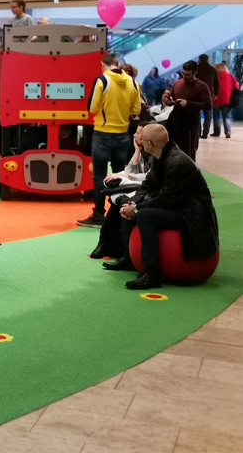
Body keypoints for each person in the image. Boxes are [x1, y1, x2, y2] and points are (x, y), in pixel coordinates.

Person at [103, 124, 219, 289]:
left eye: (141, 139)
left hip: (192, 216)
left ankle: (152, 273)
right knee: (130, 206)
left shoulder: (177, 162)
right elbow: (147, 185)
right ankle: (128, 256)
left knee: (144, 215)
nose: (138, 141)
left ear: (149, 143)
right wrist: (132, 203)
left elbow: (167, 200)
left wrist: (136, 209)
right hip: (180, 208)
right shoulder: (160, 156)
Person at [77, 53, 142, 228]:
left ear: (103, 64)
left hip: (102, 134)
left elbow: (92, 108)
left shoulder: (102, 80)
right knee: (120, 175)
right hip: (123, 134)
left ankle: (99, 215)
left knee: (99, 176)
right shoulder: (133, 82)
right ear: (118, 64)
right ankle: (119, 215)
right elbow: (136, 109)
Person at [90, 122, 153, 259]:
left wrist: (126, 175)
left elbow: (149, 176)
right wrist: (137, 151)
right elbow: (131, 170)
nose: (134, 135)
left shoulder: (155, 153)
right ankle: (104, 243)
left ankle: (125, 252)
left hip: (150, 194)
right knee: (117, 201)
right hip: (142, 190)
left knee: (123, 201)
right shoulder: (142, 151)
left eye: (138, 133)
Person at [162, 61, 212, 162]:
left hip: (191, 122)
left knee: (189, 150)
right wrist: (168, 101)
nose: (184, 76)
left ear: (194, 73)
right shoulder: (177, 83)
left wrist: (188, 103)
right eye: (183, 73)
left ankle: (189, 172)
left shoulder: (201, 86)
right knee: (173, 148)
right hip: (176, 120)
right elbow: (173, 100)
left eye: (188, 75)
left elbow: (208, 105)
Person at [195, 54, 220, 139]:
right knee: (208, 114)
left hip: (197, 94)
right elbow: (217, 83)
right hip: (209, 94)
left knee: (196, 113)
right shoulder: (212, 70)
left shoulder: (196, 69)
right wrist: (216, 94)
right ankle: (205, 132)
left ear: (200, 60)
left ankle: (197, 132)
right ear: (208, 60)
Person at [211, 62, 239, 138]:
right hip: (227, 99)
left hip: (215, 99)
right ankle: (228, 132)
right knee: (226, 116)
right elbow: (237, 87)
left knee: (216, 116)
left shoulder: (213, 77)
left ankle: (216, 132)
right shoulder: (231, 77)